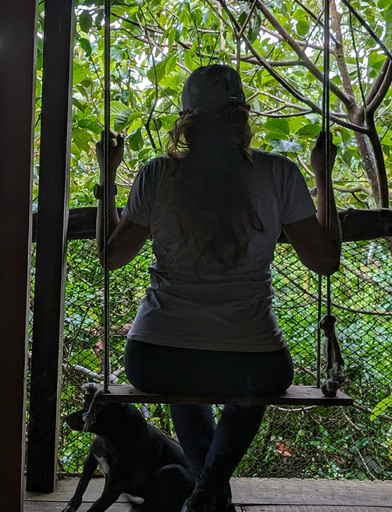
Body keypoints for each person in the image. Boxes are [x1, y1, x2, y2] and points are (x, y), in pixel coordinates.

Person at [95, 64, 341, 512]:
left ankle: (207, 494)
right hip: (253, 363)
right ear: (242, 118)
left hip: (156, 357)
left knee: (184, 375)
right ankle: (208, 490)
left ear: (186, 122)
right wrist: (323, 176)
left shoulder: (157, 174)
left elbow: (111, 257)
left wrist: (107, 176)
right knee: (253, 384)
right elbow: (324, 261)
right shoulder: (279, 173)